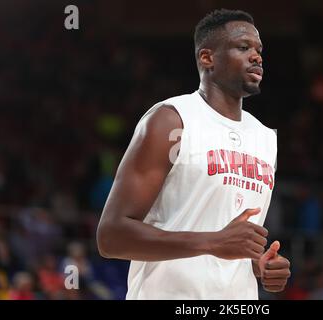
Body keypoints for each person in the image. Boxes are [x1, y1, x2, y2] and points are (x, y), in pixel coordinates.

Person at [96, 8, 291, 300]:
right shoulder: (171, 120)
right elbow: (111, 237)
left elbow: (227, 241)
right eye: (243, 47)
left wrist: (258, 265)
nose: (257, 56)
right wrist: (213, 242)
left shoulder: (265, 138)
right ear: (207, 58)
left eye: (259, 49)